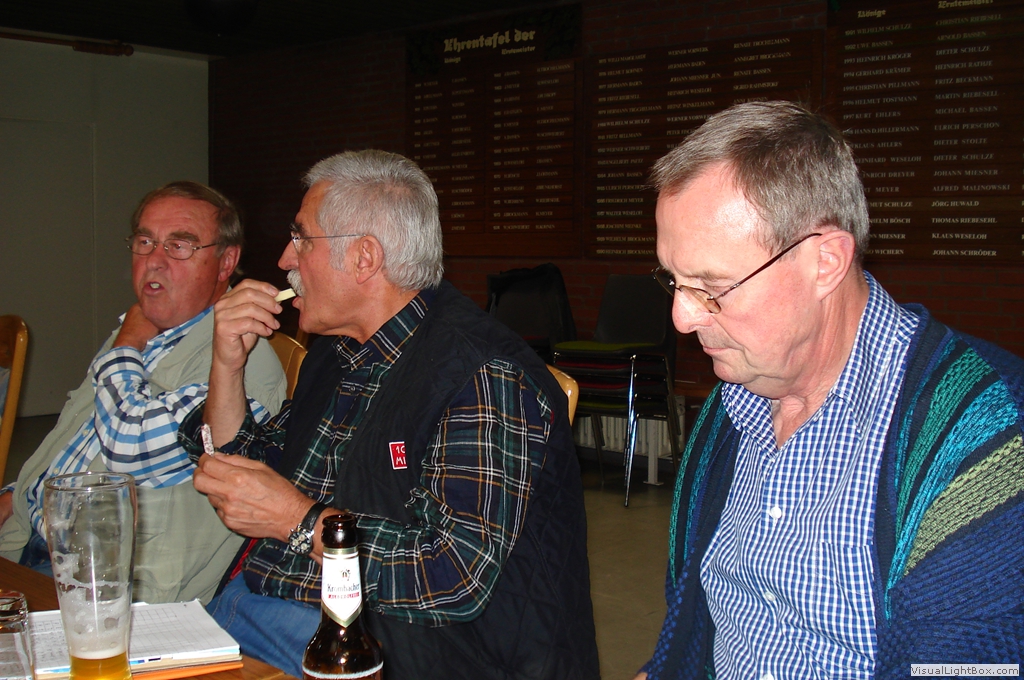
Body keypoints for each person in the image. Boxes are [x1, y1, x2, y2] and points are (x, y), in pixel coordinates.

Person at [638, 101, 1024, 680]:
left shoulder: (987, 435)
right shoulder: (728, 410)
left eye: (711, 286)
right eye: (673, 279)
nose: (682, 318)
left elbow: (970, 667)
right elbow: (692, 627)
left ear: (825, 261)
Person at [178, 149, 599, 680]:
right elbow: (245, 461)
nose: (285, 258)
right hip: (274, 607)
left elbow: (452, 573)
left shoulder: (483, 376)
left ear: (364, 258)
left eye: (301, 238)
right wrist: (226, 363)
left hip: (408, 650)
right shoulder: (340, 352)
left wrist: (295, 520)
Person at [0, 181, 287, 604]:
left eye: (179, 246)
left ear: (226, 262)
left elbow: (126, 449)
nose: (154, 261)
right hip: (26, 538)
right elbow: (77, 437)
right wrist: (15, 494)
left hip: (109, 588)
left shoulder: (243, 363)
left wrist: (127, 344)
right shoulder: (147, 332)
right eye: (145, 241)